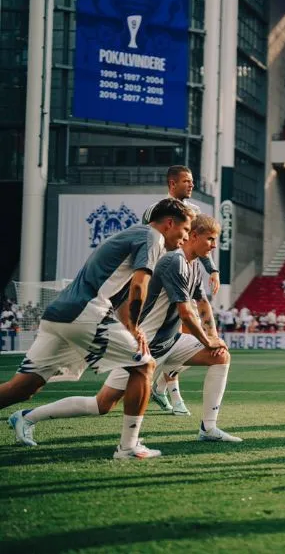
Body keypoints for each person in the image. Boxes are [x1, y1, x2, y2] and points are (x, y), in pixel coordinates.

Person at [10, 215, 240, 445]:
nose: (214, 245)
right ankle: (27, 417)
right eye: (210, 239)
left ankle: (208, 428)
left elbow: (202, 304)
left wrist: (214, 338)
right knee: (102, 405)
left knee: (220, 356)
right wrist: (208, 340)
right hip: (146, 345)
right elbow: (186, 313)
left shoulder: (194, 266)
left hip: (170, 342)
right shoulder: (174, 262)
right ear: (194, 235)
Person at [143, 165, 221, 415]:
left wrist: (212, 270)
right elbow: (147, 241)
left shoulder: (195, 211)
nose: (191, 185)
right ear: (172, 183)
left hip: (186, 277)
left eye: (193, 180)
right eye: (186, 181)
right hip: (162, 277)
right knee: (171, 334)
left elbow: (202, 240)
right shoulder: (156, 210)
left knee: (186, 337)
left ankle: (164, 389)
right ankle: (167, 394)